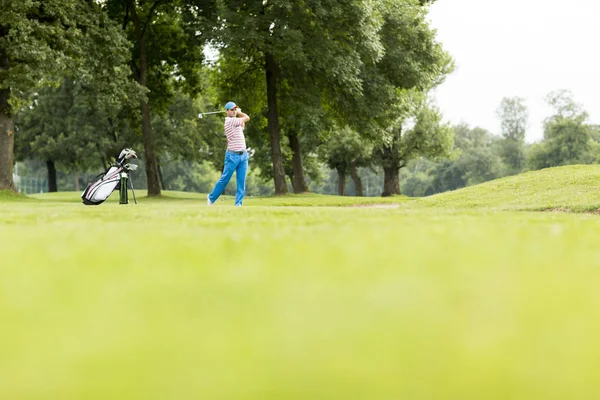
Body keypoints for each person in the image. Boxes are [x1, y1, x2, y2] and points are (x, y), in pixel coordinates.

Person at [207, 101, 250, 207]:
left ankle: (238, 204)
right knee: (225, 179)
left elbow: (242, 124)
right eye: (232, 110)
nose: (234, 111)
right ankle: (211, 198)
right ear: (226, 111)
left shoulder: (235, 121)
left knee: (241, 181)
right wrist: (240, 112)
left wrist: (237, 113)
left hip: (243, 155)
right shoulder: (229, 121)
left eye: (235, 109)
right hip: (232, 156)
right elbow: (247, 118)